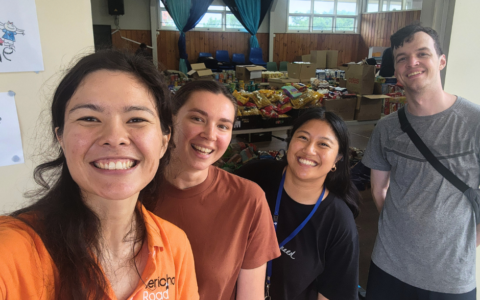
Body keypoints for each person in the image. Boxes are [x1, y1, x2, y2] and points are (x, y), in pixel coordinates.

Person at [0, 50, 199, 300]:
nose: (114, 138)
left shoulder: (175, 246)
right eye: (89, 118)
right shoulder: (10, 252)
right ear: (60, 137)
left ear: (164, 140)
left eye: (136, 118)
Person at [362, 24, 479, 300]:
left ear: (441, 60)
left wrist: (462, 244)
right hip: (388, 267)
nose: (411, 63)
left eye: (422, 54)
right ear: (397, 69)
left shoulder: (474, 123)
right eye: (402, 58)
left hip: (450, 279)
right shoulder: (386, 128)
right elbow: (378, 190)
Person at [153, 80, 281, 300]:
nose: (210, 134)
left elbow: (251, 296)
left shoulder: (248, 200)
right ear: (171, 119)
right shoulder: (133, 190)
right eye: (197, 119)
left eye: (223, 125)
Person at [235, 108, 361, 300]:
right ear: (290, 140)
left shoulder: (338, 221)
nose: (309, 150)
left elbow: (335, 293)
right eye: (303, 138)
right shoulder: (254, 178)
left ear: (338, 159)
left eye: (323, 144)